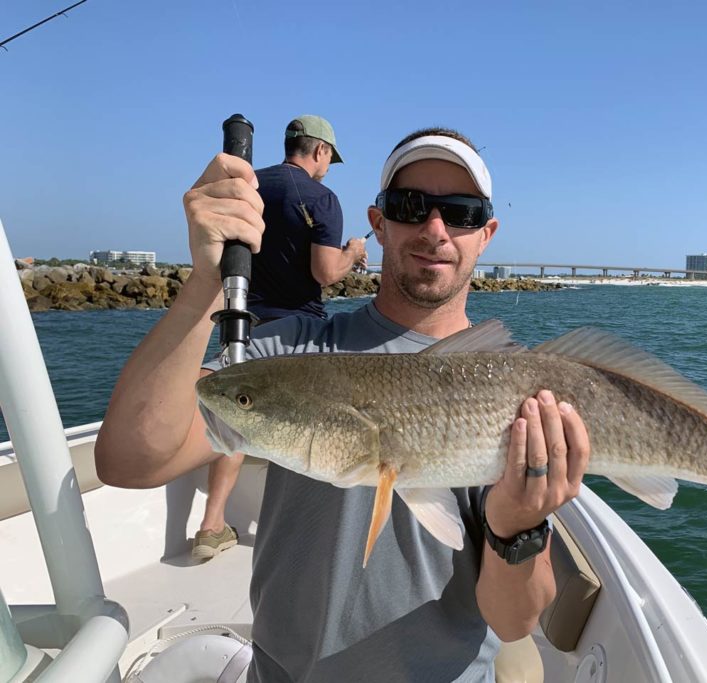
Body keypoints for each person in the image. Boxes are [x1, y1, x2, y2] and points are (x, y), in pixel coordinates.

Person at [95, 127, 591, 681]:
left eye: (461, 213)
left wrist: (517, 528)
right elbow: (131, 460)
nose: (435, 229)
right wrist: (207, 282)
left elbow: (516, 620)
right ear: (377, 224)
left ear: (486, 234)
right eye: (410, 206)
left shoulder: (523, 397)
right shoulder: (288, 350)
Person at [192, 115, 369, 560]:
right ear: (320, 151)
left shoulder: (251, 188)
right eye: (330, 158)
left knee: (235, 418)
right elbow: (325, 273)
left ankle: (212, 524)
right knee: (312, 428)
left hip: (245, 320)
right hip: (299, 327)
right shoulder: (322, 198)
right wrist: (353, 253)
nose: (329, 167)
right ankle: (306, 539)